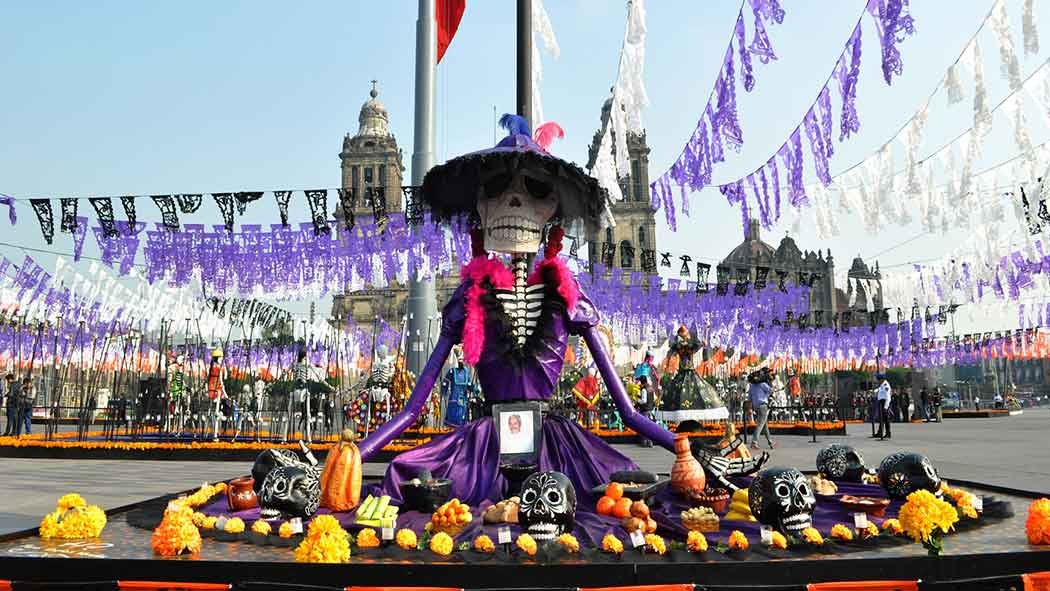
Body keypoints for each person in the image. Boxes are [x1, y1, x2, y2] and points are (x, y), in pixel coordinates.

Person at [656, 327, 728, 423]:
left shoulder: (684, 346)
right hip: (684, 372)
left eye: (683, 336)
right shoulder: (682, 346)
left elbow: (699, 345)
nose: (683, 338)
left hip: (687, 372)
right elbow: (699, 344)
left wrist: (705, 334)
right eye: (682, 336)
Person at [748, 368, 775, 450]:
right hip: (763, 405)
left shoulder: (752, 386)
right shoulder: (763, 384)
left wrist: (750, 408)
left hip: (755, 406)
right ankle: (754, 441)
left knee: (764, 425)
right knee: (761, 424)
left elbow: (749, 398)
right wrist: (772, 385)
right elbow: (771, 391)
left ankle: (770, 441)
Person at [873, 374, 892, 440]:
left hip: (885, 403)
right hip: (881, 402)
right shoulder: (882, 384)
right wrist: (874, 390)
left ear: (882, 379)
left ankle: (888, 433)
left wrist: (886, 407)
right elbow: (879, 389)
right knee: (881, 419)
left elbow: (887, 397)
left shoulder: (886, 385)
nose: (878, 381)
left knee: (886, 419)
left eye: (878, 379)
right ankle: (880, 432)